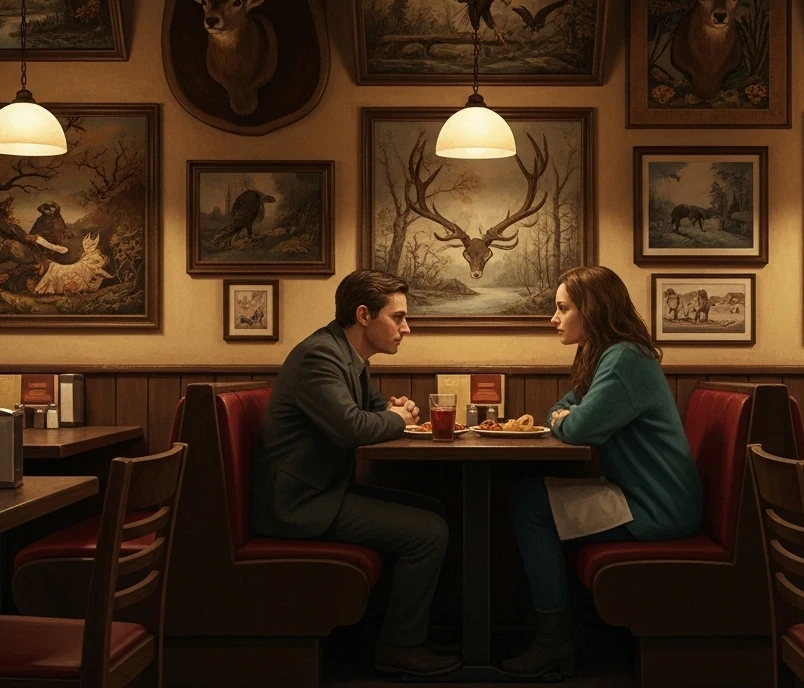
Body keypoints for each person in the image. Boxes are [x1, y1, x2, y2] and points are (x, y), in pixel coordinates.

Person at [251, 270, 460, 677]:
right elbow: (353, 428)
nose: (406, 328)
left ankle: (407, 629)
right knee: (428, 532)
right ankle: (399, 647)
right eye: (397, 318)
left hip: (326, 490)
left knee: (436, 510)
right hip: (298, 505)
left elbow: (374, 413)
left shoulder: (350, 356)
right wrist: (397, 418)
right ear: (364, 315)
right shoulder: (321, 355)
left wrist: (393, 414)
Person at [503, 266, 705, 677]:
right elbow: (560, 409)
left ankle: (554, 641)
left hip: (656, 506)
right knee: (526, 496)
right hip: (641, 495)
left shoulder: (625, 357)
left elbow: (577, 426)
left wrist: (567, 417)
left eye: (562, 308)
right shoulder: (604, 352)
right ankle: (559, 634)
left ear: (591, 309)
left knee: (527, 504)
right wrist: (567, 415)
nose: (553, 319)